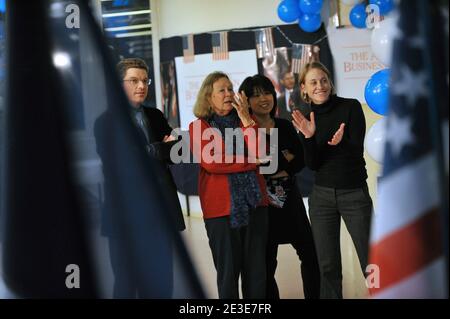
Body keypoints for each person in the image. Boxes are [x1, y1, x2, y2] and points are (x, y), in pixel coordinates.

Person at [94, 58, 185, 298]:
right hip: (124, 216)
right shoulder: (105, 122)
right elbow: (121, 164)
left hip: (159, 213)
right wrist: (158, 149)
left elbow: (179, 152)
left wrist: (149, 151)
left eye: (145, 80)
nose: (141, 86)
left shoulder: (155, 115)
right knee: (126, 283)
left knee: (162, 282)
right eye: (133, 80)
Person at [291, 62, 373, 299]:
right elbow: (313, 164)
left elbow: (357, 147)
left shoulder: (351, 107)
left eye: (323, 80)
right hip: (322, 197)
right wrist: (309, 137)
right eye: (313, 82)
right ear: (304, 89)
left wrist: (341, 142)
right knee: (327, 265)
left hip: (354, 194)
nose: (320, 86)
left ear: (330, 82)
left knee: (371, 259)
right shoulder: (306, 119)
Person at [188, 71, 269, 299]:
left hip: (255, 206)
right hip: (221, 212)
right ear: (208, 97)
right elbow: (214, 162)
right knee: (228, 275)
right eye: (221, 90)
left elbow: (263, 153)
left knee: (257, 274)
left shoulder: (249, 121)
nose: (228, 94)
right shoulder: (198, 127)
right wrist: (250, 162)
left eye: (231, 89)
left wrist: (246, 121)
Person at [238, 74, 320, 299]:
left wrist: (275, 162)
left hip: (290, 200)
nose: (263, 99)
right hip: (262, 203)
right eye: (255, 96)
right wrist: (283, 158)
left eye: (267, 93)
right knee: (265, 263)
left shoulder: (284, 125)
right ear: (245, 101)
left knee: (310, 254)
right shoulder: (244, 131)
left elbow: (300, 160)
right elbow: (262, 164)